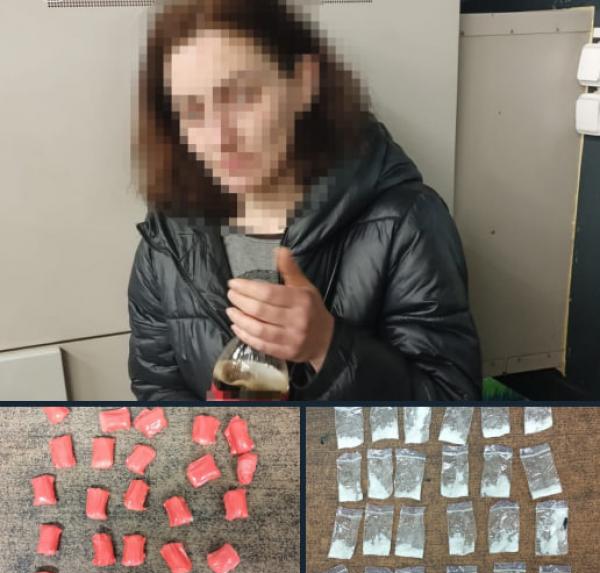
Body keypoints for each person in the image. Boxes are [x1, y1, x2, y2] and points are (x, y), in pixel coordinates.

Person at [128, 0, 482, 400]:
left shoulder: (407, 223)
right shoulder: (167, 241)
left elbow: (453, 404)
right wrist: (211, 430)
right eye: (191, 110)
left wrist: (327, 346)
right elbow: (156, 388)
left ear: (303, 83)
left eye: (242, 95)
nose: (219, 138)